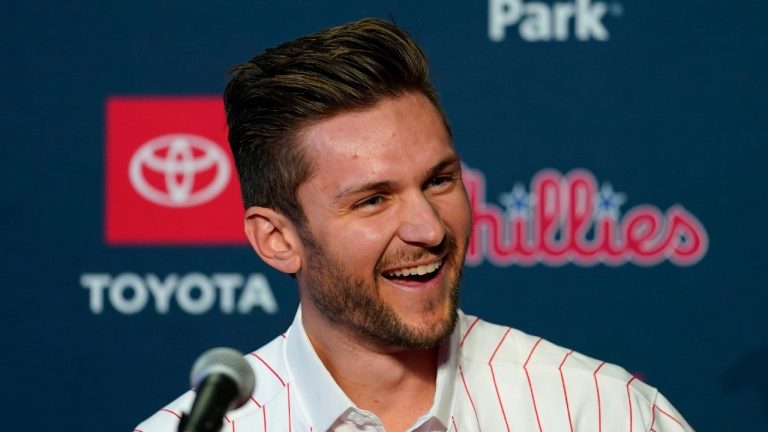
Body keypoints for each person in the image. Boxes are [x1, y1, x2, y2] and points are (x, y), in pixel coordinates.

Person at [136, 18, 693, 432]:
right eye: (374, 200)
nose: (429, 230)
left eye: (439, 181)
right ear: (277, 239)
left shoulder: (600, 411)